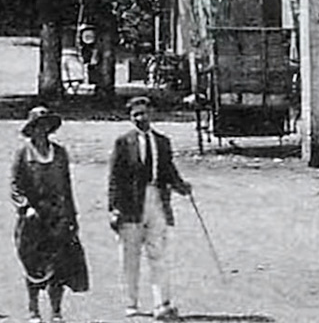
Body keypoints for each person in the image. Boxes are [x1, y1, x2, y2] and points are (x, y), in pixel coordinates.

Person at [107, 95, 191, 321]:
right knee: (130, 255)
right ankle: (131, 303)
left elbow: (168, 170)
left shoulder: (162, 142)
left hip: (156, 199)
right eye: (135, 114)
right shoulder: (123, 142)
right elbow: (115, 179)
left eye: (144, 113)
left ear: (152, 113)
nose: (140, 118)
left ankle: (161, 303)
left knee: (158, 252)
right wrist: (114, 209)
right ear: (130, 118)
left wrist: (181, 185)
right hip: (131, 204)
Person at [11, 106, 87, 323]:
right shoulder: (23, 154)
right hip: (34, 220)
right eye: (37, 127)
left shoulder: (60, 153)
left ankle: (56, 311)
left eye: (45, 126)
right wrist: (26, 207)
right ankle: (33, 309)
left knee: (59, 265)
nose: (41, 131)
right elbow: (15, 186)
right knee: (33, 264)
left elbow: (66, 186)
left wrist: (71, 216)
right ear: (31, 129)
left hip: (58, 217)